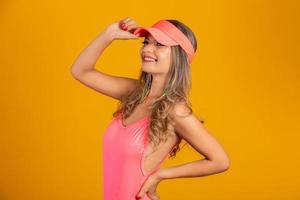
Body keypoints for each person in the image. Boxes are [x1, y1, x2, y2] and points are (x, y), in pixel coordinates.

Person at [70, 17, 230, 200]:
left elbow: (220, 161)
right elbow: (80, 71)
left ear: (179, 56)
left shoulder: (176, 111)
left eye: (159, 44)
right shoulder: (133, 93)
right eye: (146, 42)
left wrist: (161, 175)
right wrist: (109, 34)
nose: (147, 49)